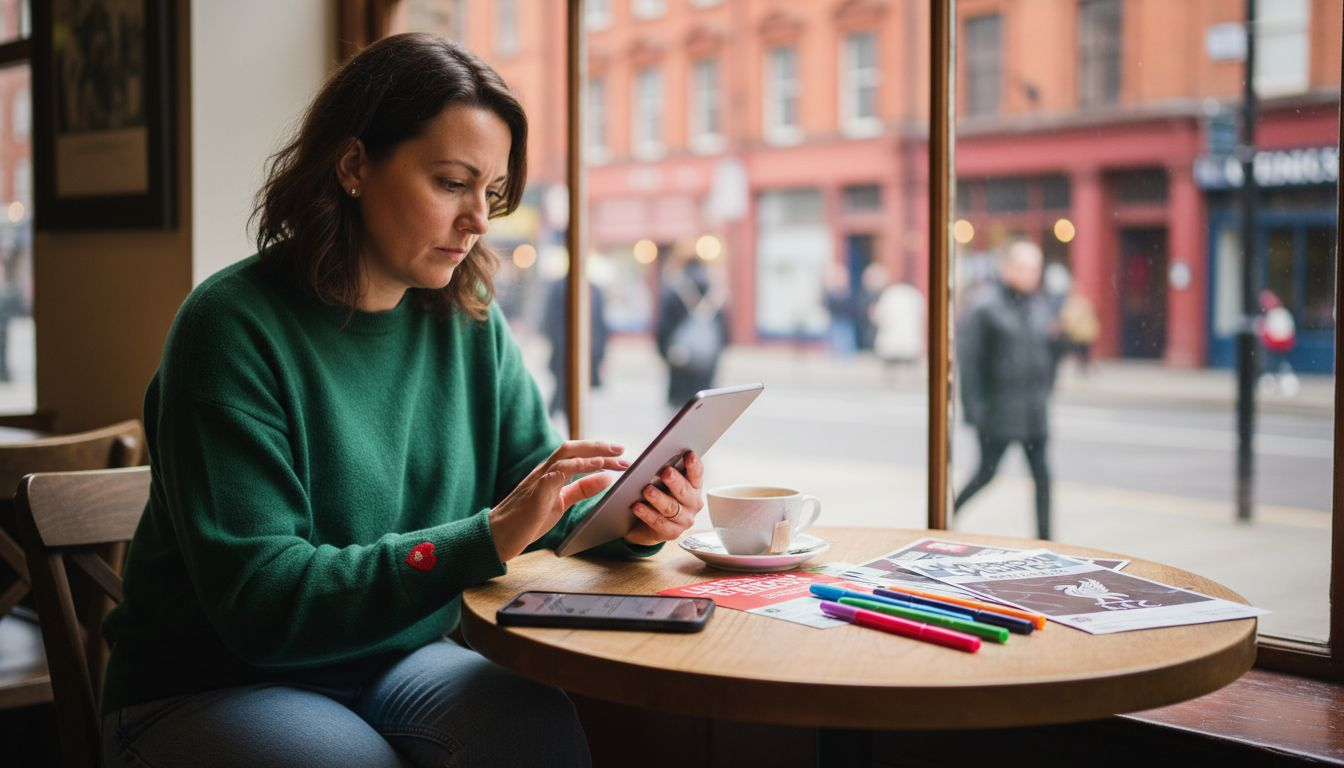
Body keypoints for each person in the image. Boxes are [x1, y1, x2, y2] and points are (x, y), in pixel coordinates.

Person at [100, 34, 703, 768]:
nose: (481, 219)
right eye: (453, 183)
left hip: (398, 660)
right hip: (212, 684)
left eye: (493, 192)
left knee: (533, 729)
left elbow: (532, 499)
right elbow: (262, 605)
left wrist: (634, 519)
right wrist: (485, 536)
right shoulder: (229, 328)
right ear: (354, 165)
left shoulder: (467, 315)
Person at [953, 239, 1061, 540]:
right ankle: (945, 515)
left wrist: (1048, 383)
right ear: (1007, 268)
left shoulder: (1039, 305)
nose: (1031, 275)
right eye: (1024, 268)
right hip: (998, 411)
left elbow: (1048, 352)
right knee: (986, 474)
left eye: (1035, 268)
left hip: (1033, 410)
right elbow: (971, 363)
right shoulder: (984, 305)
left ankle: (1046, 540)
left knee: (1043, 479)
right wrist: (975, 411)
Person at [655, 248, 729, 409]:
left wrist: (666, 354)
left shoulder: (675, 290)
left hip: (680, 367)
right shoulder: (715, 292)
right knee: (703, 414)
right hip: (707, 369)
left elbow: (662, 331)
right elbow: (726, 335)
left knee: (678, 418)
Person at [542, 275, 610, 422]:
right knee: (563, 390)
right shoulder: (560, 287)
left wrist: (600, 354)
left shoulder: (594, 289)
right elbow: (550, 321)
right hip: (564, 352)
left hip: (589, 352)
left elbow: (600, 324)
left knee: (577, 393)